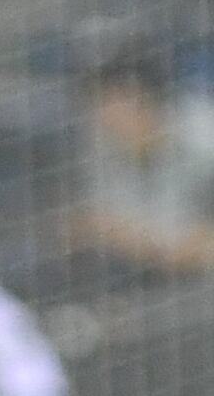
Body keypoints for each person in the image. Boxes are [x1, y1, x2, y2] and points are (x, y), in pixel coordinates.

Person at [66, 54, 214, 275]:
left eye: (108, 103)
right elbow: (84, 225)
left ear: (136, 97)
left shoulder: (204, 141)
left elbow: (199, 246)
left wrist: (129, 237)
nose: (101, 119)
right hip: (147, 278)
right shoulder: (104, 146)